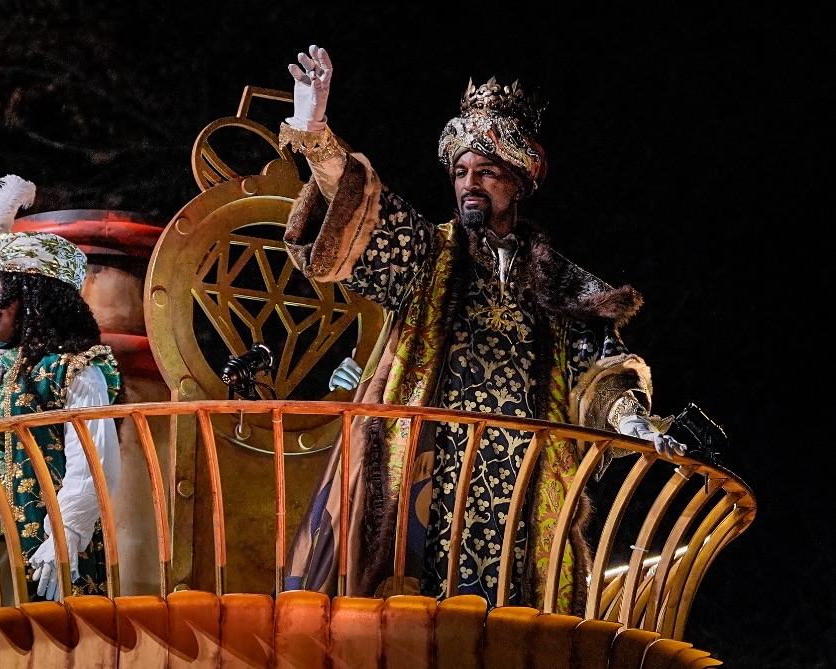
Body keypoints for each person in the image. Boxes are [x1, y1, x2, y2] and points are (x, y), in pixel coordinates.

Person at [279, 45, 687, 616]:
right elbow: (365, 217)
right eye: (460, 172)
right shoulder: (426, 255)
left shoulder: (559, 282)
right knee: (413, 617)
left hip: (520, 488)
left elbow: (598, 368)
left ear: (518, 182)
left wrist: (633, 420)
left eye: (487, 172)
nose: (469, 183)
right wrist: (318, 139)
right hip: (427, 475)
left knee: (507, 623)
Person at [0, 174, 122, 605]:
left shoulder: (72, 370)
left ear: (32, 302)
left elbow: (94, 462)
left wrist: (65, 536)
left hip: (36, 545)